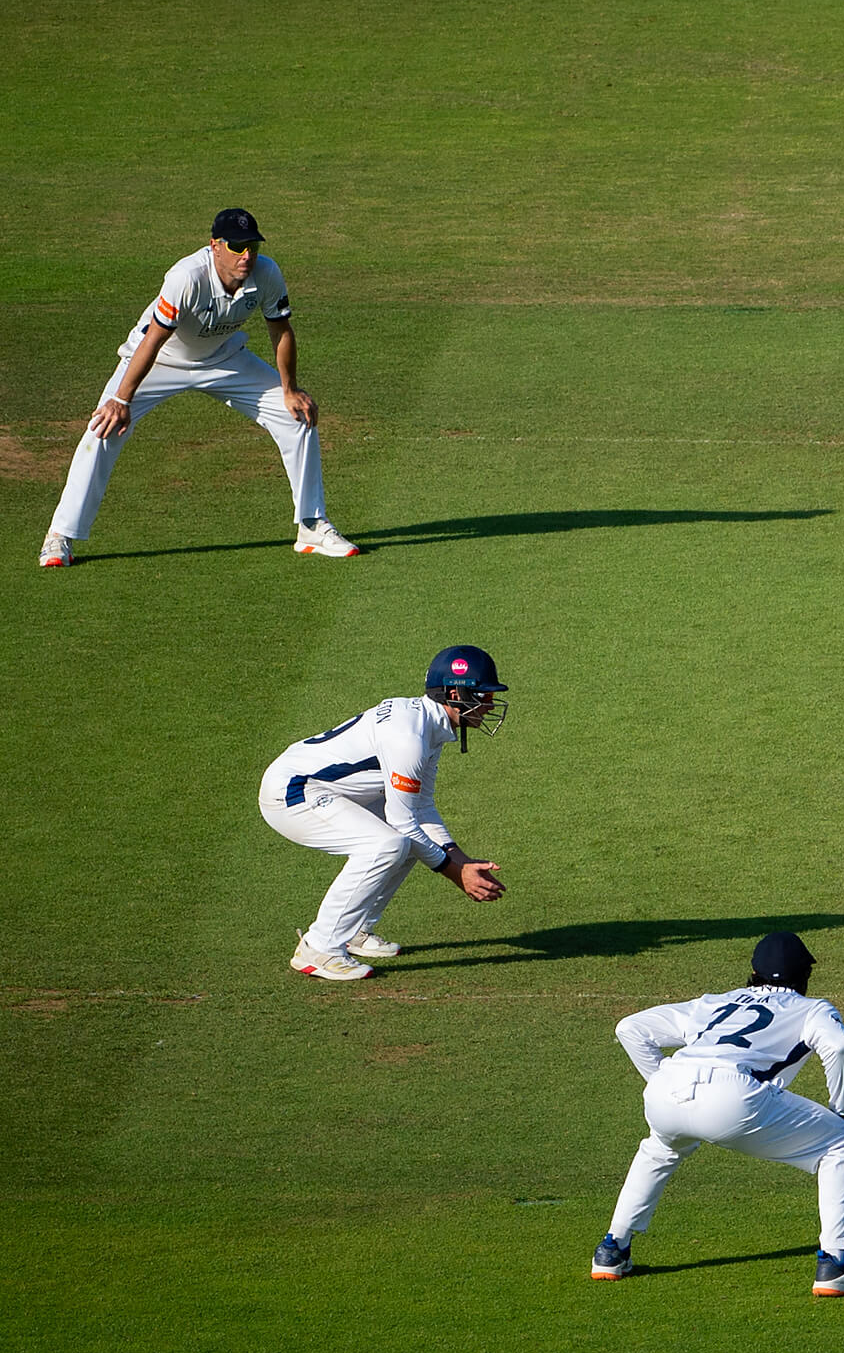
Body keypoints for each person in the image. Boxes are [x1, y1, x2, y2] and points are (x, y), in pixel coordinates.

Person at [39, 209, 358, 568]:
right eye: (237, 247)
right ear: (215, 246)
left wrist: (290, 389)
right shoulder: (186, 277)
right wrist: (121, 398)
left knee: (297, 416)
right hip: (159, 359)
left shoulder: (266, 273)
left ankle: (312, 526)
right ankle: (59, 536)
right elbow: (153, 340)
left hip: (224, 359)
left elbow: (280, 330)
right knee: (103, 428)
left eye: (251, 246)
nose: (246, 256)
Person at [590, 932, 844, 1296]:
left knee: (660, 1148)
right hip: (734, 1098)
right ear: (805, 974)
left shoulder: (714, 1002)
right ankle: (836, 1264)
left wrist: (668, 1086)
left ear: (754, 971)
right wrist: (843, 1111)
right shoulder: (812, 1008)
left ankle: (612, 1250)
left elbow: (629, 1028)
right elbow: (839, 1045)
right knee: (840, 1143)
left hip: (668, 1090)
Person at [261, 645, 510, 981]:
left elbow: (420, 808)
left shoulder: (427, 725)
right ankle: (319, 947)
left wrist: (460, 860)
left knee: (410, 843)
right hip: (292, 792)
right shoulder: (409, 738)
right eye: (483, 695)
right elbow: (405, 821)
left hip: (322, 787)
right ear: (455, 693)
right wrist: (455, 873)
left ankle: (354, 929)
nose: (490, 704)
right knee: (388, 844)